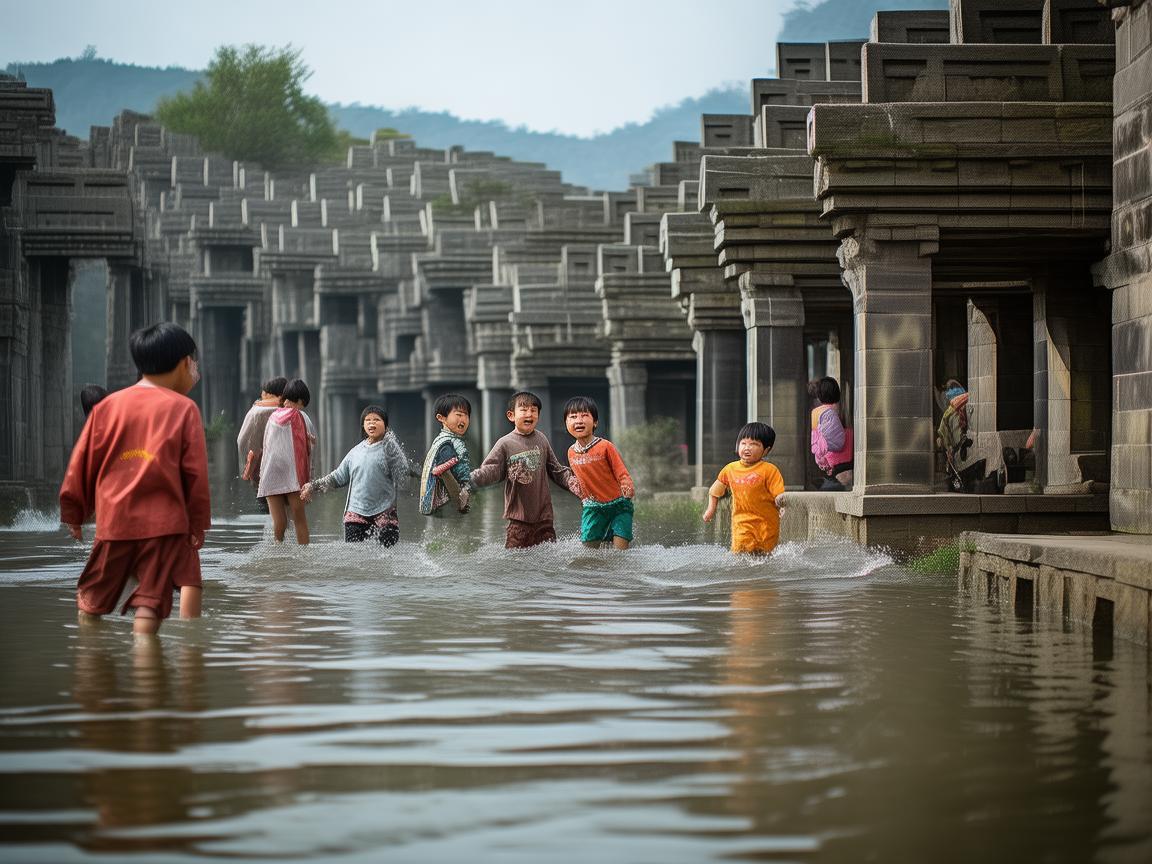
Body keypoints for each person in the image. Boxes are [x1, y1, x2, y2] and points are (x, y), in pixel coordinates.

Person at [59, 322, 209, 636]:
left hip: (114, 522)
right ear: (183, 363)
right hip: (164, 527)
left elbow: (82, 464)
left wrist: (73, 512)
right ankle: (147, 671)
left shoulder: (108, 407)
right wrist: (198, 525)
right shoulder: (184, 409)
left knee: (91, 600)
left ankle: (90, 659)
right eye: (193, 361)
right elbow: (195, 475)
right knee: (150, 605)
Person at [470, 390, 583, 549]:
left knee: (548, 559)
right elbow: (490, 470)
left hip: (545, 518)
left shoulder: (541, 439)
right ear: (511, 415)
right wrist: (469, 479)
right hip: (519, 520)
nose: (529, 414)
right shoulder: (505, 443)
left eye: (533, 410)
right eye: (523, 410)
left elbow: (556, 470)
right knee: (515, 561)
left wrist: (574, 483)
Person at [301, 405, 416, 545]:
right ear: (363, 426)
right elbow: (337, 477)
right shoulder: (355, 452)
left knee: (388, 555)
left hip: (384, 511)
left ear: (386, 426)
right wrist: (313, 486)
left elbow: (403, 472)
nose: (372, 423)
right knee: (354, 555)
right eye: (368, 420)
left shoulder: (390, 448)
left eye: (377, 420)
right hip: (356, 512)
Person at [702, 422, 785, 555]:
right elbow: (714, 491)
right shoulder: (730, 469)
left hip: (766, 525)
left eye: (754, 444)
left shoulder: (769, 470)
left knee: (766, 556)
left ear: (766, 450)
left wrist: (782, 508)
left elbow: (779, 495)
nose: (747, 448)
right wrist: (711, 510)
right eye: (743, 443)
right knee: (740, 555)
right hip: (741, 523)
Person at [564, 396, 635, 550]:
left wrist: (627, 484)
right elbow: (580, 480)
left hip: (619, 505)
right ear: (566, 424)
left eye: (584, 416)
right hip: (593, 507)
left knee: (620, 551)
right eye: (573, 417)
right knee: (589, 549)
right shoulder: (571, 452)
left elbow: (620, 470)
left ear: (595, 422)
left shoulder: (605, 446)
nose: (579, 420)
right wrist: (578, 490)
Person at [257, 378, 316, 544]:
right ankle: (304, 556)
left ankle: (277, 556)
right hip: (292, 475)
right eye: (303, 403)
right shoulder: (298, 415)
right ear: (300, 401)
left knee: (280, 523)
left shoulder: (272, 417)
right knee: (299, 519)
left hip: (271, 474)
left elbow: (268, 446)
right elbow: (303, 451)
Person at [236, 376, 288, 512]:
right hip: (289, 473)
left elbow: (242, 442)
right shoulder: (295, 411)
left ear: (272, 394)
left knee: (270, 514)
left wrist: (247, 468)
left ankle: (275, 533)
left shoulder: (256, 413)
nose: (261, 396)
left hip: (262, 473)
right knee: (289, 514)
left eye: (264, 393)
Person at [419, 393, 476, 516]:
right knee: (453, 531)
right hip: (447, 499)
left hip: (447, 499)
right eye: (459, 414)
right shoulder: (446, 444)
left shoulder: (445, 440)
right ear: (441, 418)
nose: (463, 419)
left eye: (466, 415)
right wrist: (459, 500)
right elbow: (443, 472)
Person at [810, 376, 853, 491]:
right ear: (836, 392)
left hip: (825, 462)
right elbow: (837, 443)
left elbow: (816, 439)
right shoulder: (831, 412)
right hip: (841, 462)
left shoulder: (815, 412)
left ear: (819, 395)